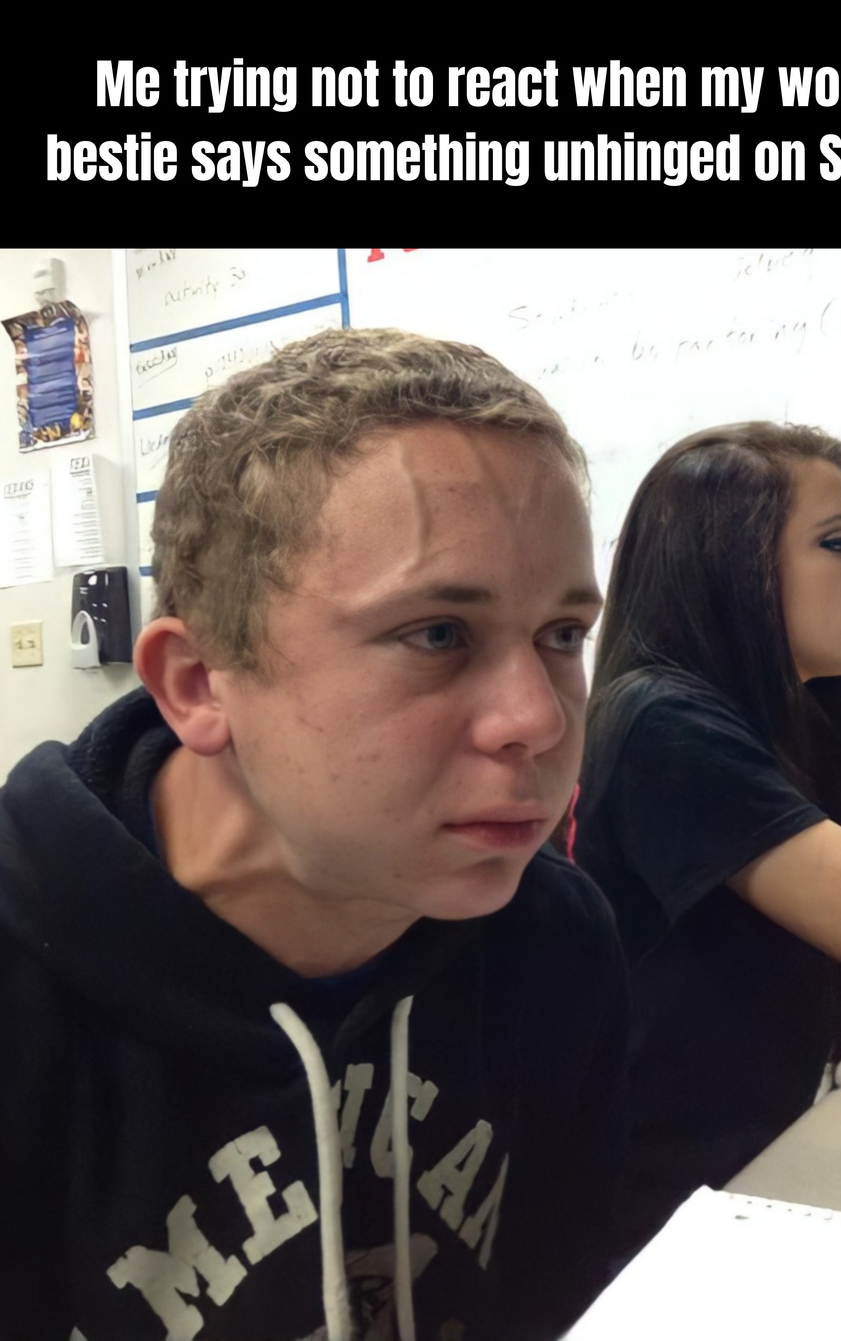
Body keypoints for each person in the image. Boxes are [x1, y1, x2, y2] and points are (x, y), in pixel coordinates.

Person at [0, 328, 628, 1341]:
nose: (540, 720)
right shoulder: (27, 986)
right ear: (198, 686)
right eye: (436, 634)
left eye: (561, 636)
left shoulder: (551, 941)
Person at [573, 420, 841, 1252]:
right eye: (836, 543)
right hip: (672, 1216)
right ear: (735, 566)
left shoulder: (799, 712)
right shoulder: (662, 723)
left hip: (785, 1150)